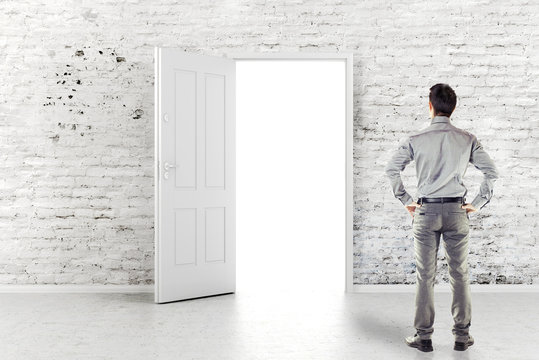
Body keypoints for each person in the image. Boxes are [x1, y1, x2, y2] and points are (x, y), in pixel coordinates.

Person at [384, 83, 499, 352]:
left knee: (425, 276)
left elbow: (391, 169)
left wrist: (406, 201)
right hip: (458, 212)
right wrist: (478, 203)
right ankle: (461, 336)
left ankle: (423, 337)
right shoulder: (468, 139)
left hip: (425, 212)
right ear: (453, 108)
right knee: (460, 274)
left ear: (430, 105)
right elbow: (491, 172)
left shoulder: (415, 139)